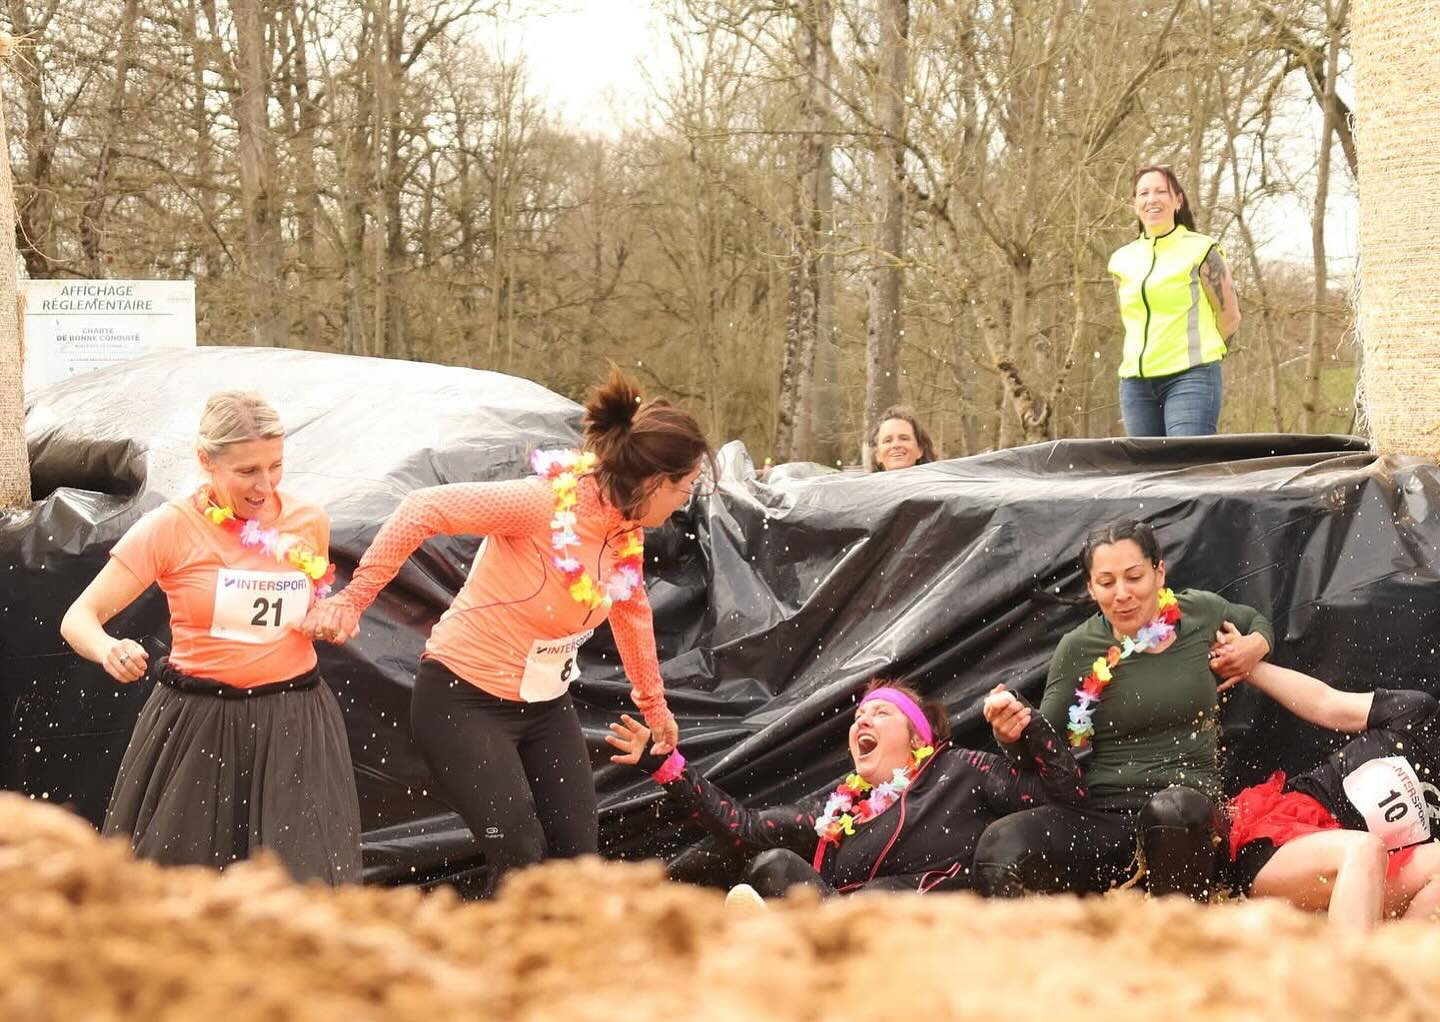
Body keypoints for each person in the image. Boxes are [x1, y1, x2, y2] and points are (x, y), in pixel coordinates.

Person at [302, 367, 710, 897]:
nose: (689, 496)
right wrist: (354, 599)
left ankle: (562, 969)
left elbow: (631, 613)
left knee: (578, 857)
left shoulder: (624, 532)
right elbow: (422, 509)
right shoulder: (545, 504)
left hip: (543, 706)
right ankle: (502, 969)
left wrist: (656, 709)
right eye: (686, 484)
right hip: (462, 702)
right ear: (654, 481)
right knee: (516, 848)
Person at [59, 391, 362, 883]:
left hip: (294, 719)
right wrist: (108, 649)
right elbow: (80, 617)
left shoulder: (308, 520)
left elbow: (317, 607)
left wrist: (331, 617)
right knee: (180, 886)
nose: (265, 486)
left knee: (302, 884)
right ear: (206, 461)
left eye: (275, 466)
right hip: (200, 722)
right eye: (247, 472)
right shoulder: (170, 528)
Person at [973, 518, 1273, 899]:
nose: (1122, 594)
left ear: (1159, 572)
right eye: (1107, 582)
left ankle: (1179, 943)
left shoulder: (1200, 613)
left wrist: (1255, 646)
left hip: (1189, 813)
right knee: (1000, 846)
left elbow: (1258, 621)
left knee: (1172, 811)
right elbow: (1044, 746)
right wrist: (1009, 732)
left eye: (1134, 577)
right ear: (1090, 588)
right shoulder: (1079, 647)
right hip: (1107, 814)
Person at [605, 678, 1085, 897]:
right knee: (757, 859)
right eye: (859, 716)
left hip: (918, 931)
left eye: (881, 713)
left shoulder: (961, 769)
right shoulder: (839, 806)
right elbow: (745, 828)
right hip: (838, 926)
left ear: (919, 737)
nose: (863, 721)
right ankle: (636, 906)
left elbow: (1063, 796)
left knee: (773, 869)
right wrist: (668, 766)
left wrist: (1028, 731)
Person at [1226, 658, 1440, 932]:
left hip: (1369, 881)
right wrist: (1249, 668)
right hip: (1288, 843)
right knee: (1364, 849)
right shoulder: (1418, 713)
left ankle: (1391, 965)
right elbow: (1323, 702)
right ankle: (1350, 970)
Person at [1109, 164, 1241, 437]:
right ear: (1134, 203)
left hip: (1191, 377)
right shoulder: (1121, 260)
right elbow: (1131, 321)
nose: (1151, 199)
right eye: (1143, 193)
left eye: (1160, 191)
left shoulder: (1203, 249)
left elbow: (1230, 317)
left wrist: (1207, 357)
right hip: (1136, 385)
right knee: (1146, 476)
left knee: (1185, 472)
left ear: (1177, 200)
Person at [867, 406, 934, 472]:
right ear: (877, 455)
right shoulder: (863, 482)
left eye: (904, 439)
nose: (896, 445)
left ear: (920, 450)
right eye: (887, 441)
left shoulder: (941, 480)